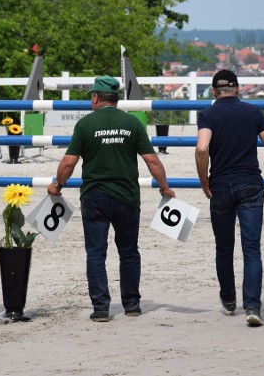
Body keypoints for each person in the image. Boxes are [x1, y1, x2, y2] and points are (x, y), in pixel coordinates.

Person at [48, 75, 175, 322]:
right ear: (116, 98)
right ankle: (132, 304)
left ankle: (101, 308)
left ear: (96, 97)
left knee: (96, 253)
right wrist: (164, 187)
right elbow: (152, 160)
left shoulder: (85, 125)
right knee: (129, 252)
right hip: (127, 197)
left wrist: (57, 185)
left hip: (95, 197)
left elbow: (68, 162)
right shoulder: (133, 123)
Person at [195, 69, 264, 327]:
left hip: (220, 186)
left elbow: (202, 148)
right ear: (237, 89)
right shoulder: (254, 112)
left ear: (214, 91)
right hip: (250, 183)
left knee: (224, 247)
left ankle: (228, 300)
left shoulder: (208, 114)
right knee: (252, 249)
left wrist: (204, 180)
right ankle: (252, 306)